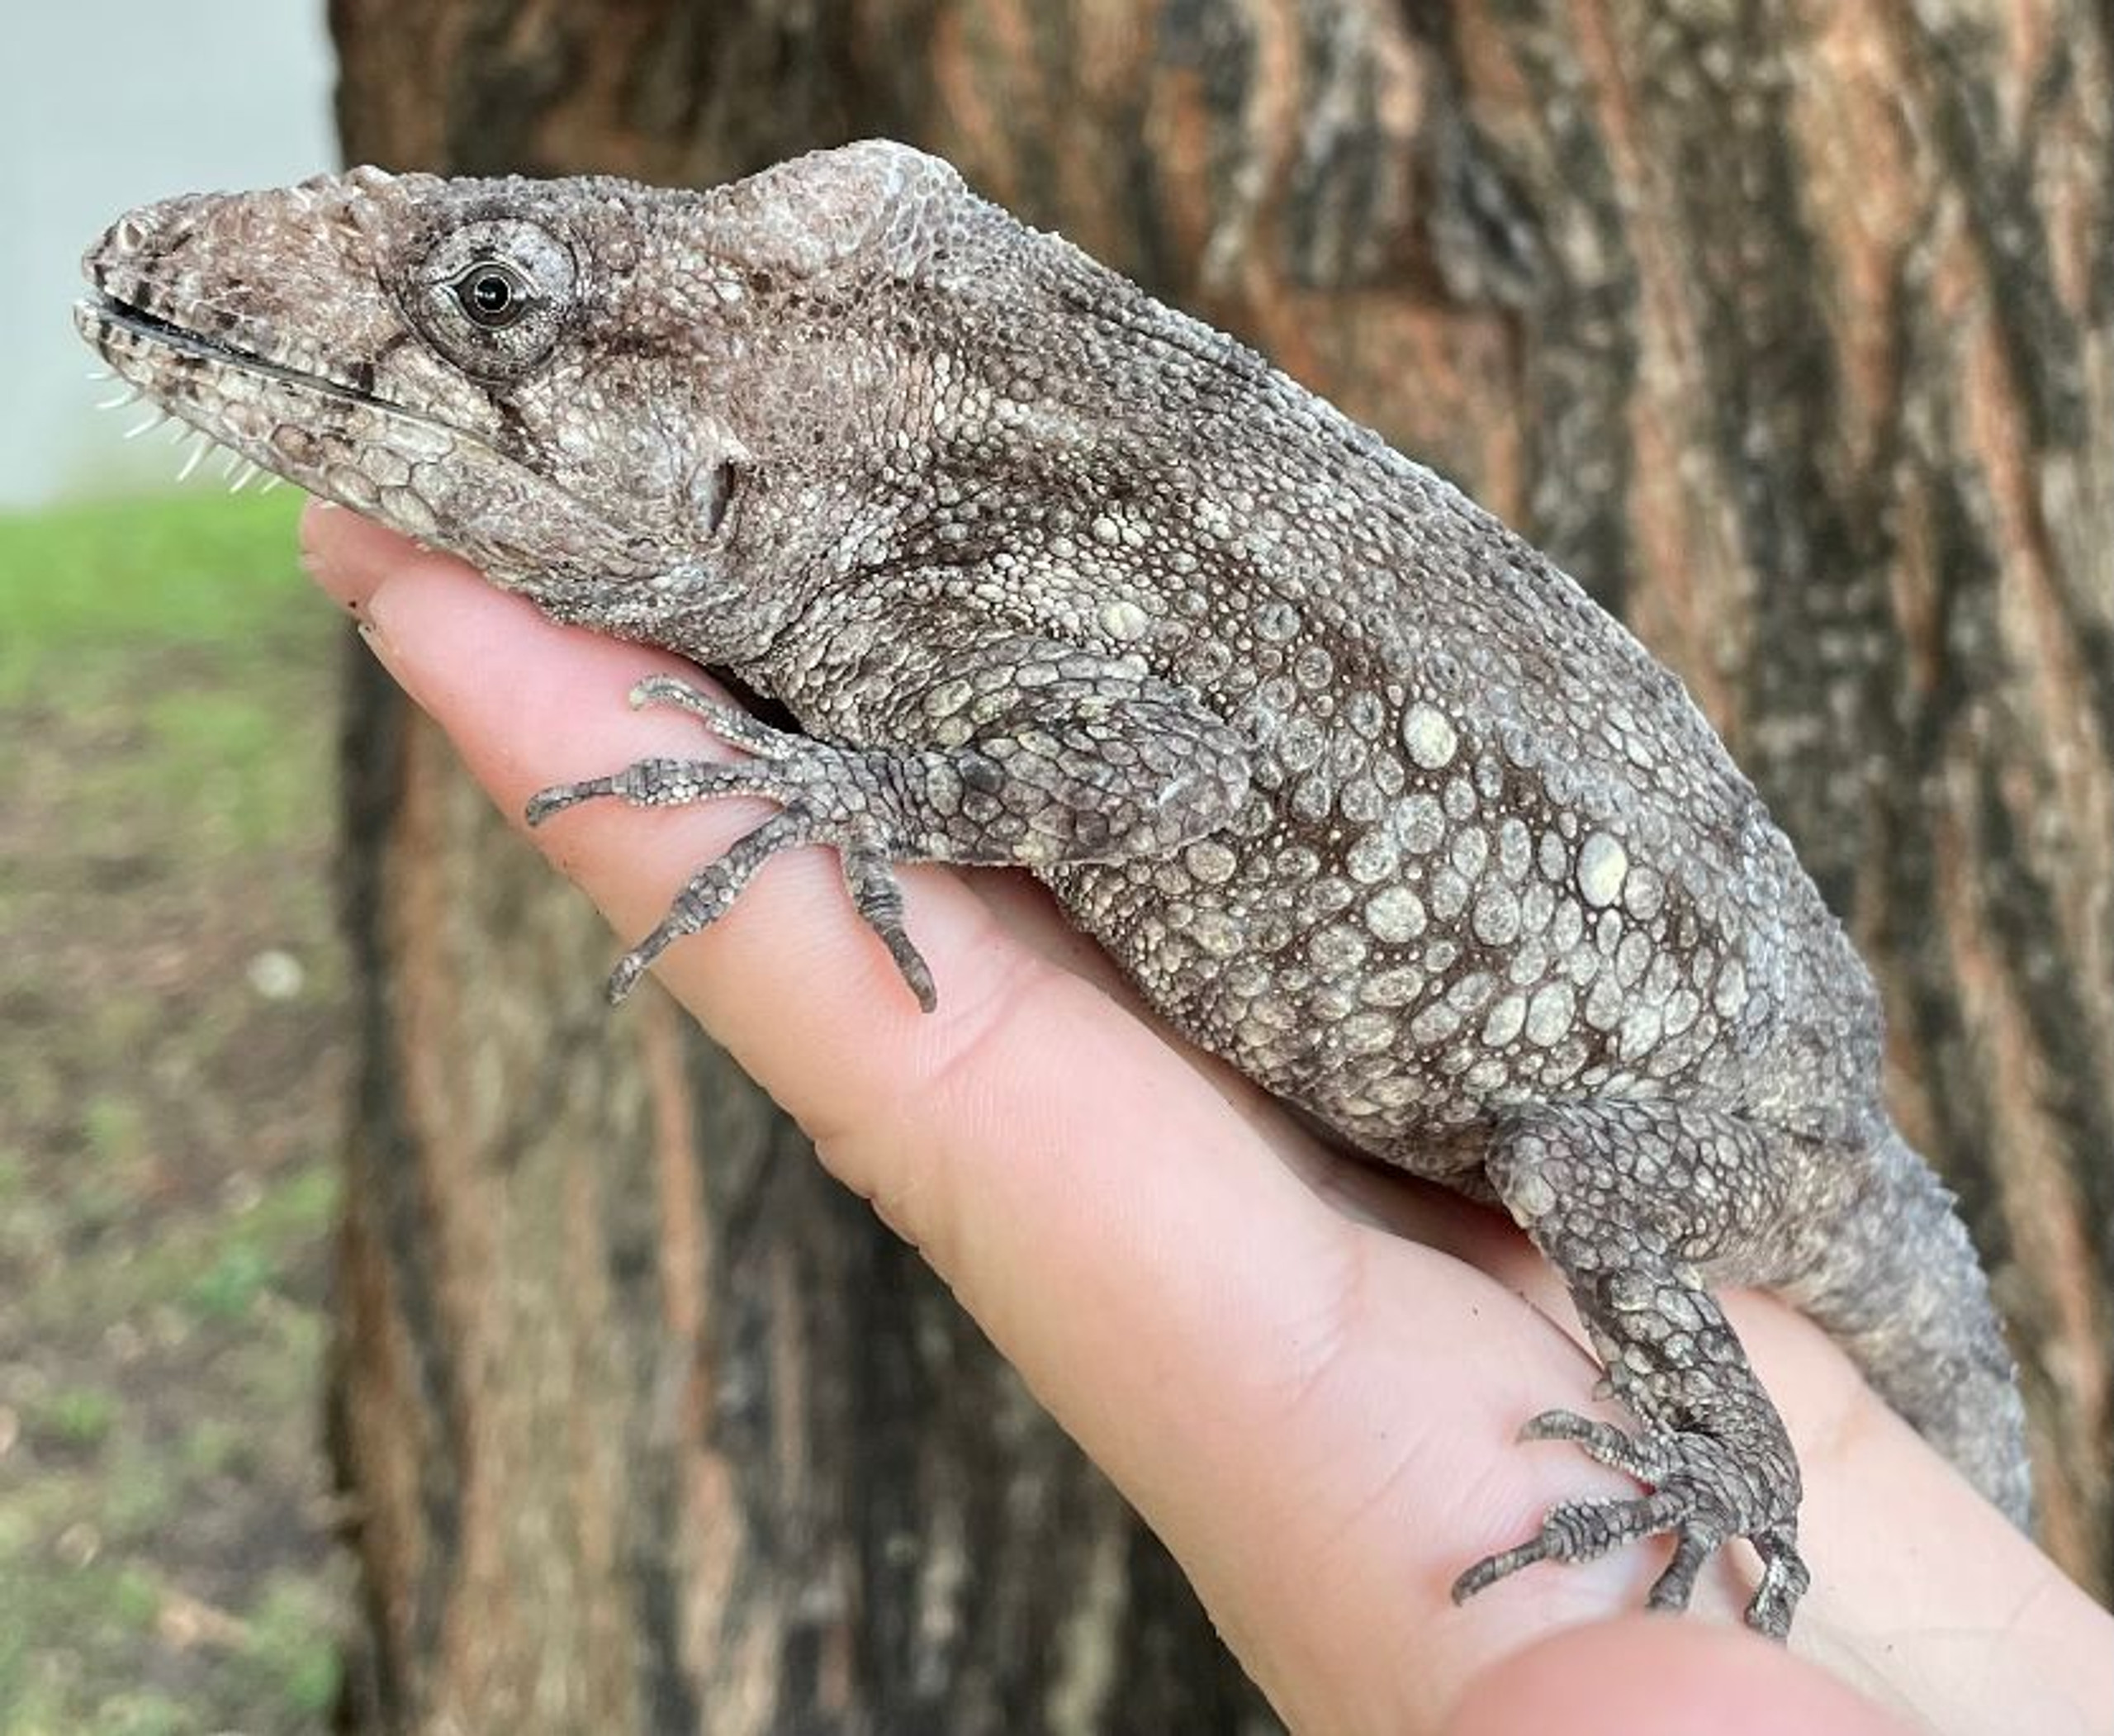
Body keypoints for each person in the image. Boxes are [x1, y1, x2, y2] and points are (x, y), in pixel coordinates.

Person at [301, 502, 2114, 1736]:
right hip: (1681, 1069)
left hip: (1728, 1119)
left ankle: (1739, 1464)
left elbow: (1131, 776)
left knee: (1568, 1166)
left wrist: (873, 786)